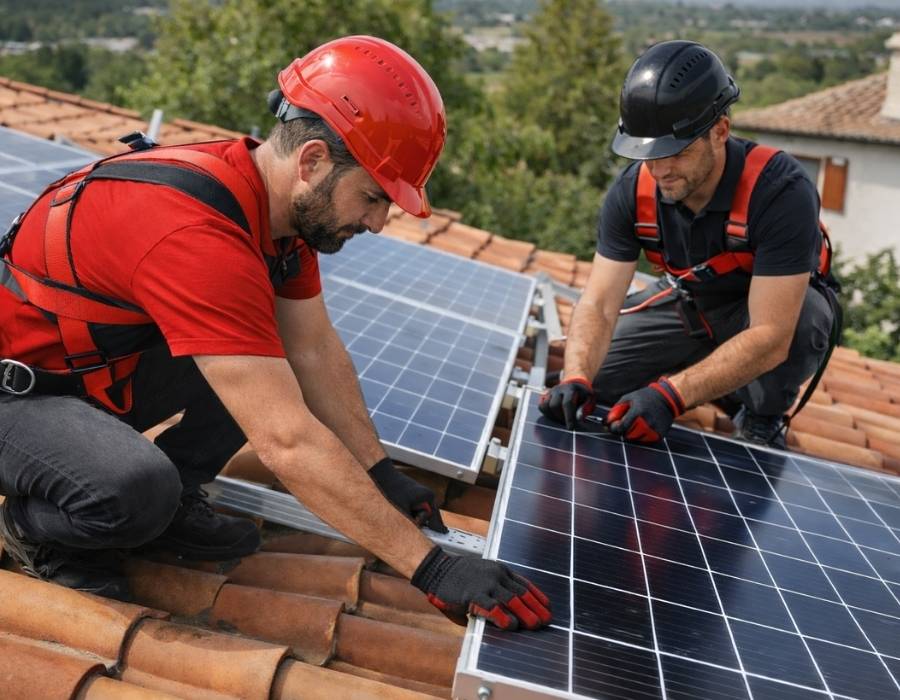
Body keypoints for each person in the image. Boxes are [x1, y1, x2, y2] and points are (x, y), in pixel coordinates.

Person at [0, 36, 551, 631]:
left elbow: (313, 349)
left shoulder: (276, 214)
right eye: (372, 196)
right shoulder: (199, 238)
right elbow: (286, 441)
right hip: (20, 395)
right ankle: (37, 532)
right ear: (312, 162)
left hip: (91, 371)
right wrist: (431, 569)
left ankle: (178, 497)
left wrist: (378, 470)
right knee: (136, 491)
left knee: (266, 353)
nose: (377, 221)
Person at [540, 40, 838, 448]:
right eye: (648, 153)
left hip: (758, 312)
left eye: (675, 152)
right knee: (599, 380)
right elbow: (599, 302)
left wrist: (671, 396)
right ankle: (718, 380)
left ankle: (760, 412)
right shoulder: (632, 192)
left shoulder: (780, 191)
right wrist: (577, 374)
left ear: (720, 131)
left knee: (806, 320)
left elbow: (771, 333)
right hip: (690, 306)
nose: (660, 169)